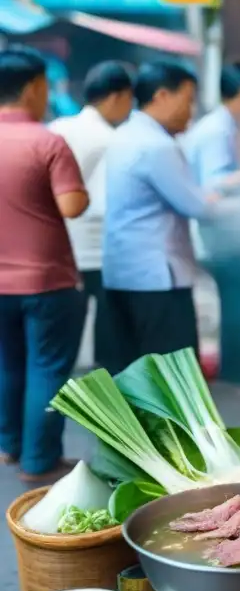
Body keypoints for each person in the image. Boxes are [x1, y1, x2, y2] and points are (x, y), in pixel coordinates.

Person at [0, 47, 89, 482]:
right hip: (45, 280)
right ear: (35, 87)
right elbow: (72, 206)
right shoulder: (46, 140)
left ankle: (8, 446)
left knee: (7, 364)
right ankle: (39, 462)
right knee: (47, 368)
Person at [102, 62, 218, 372]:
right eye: (188, 99)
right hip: (158, 278)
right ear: (163, 95)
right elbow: (197, 207)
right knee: (172, 378)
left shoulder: (124, 134)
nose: (191, 111)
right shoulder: (158, 146)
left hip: (122, 273)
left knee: (134, 375)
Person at [181, 62, 240, 383]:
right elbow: (217, 183)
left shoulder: (225, 126)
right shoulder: (216, 130)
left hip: (223, 232)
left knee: (238, 296)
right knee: (239, 299)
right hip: (217, 235)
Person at [48, 61, 135, 370]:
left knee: (61, 340)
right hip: (98, 250)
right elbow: (109, 202)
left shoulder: (57, 128)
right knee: (110, 337)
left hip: (60, 248)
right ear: (116, 97)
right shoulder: (110, 140)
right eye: (129, 100)